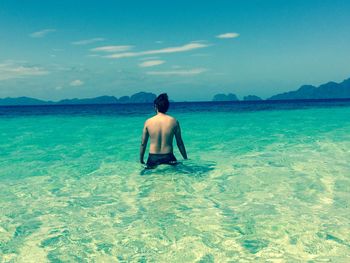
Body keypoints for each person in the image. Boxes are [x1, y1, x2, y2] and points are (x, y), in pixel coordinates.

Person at [140, 93, 188, 168]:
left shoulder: (148, 122)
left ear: (156, 106)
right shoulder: (174, 121)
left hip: (153, 158)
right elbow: (180, 143)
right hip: (168, 157)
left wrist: (141, 159)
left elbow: (143, 143)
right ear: (167, 107)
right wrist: (185, 158)